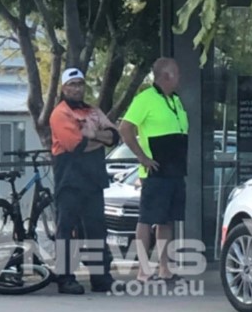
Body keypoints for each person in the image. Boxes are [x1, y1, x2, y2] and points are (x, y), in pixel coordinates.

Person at [48, 67, 120, 294]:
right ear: (64, 88)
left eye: (80, 84)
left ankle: (101, 278)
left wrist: (94, 134)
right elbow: (75, 145)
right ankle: (65, 277)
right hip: (69, 178)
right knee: (66, 229)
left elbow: (114, 136)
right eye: (73, 84)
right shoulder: (60, 113)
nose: (77, 88)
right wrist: (99, 138)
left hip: (94, 178)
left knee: (97, 229)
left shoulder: (93, 111)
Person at [118, 58, 188, 283]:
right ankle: (143, 269)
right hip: (155, 170)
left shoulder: (175, 100)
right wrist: (142, 157)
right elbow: (125, 128)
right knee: (147, 219)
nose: (179, 78)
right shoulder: (145, 99)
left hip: (175, 169)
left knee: (167, 220)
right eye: (176, 73)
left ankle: (164, 268)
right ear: (166, 76)